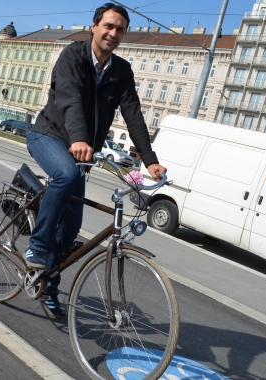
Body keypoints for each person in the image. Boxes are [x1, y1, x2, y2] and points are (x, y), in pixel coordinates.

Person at [24, 3, 167, 318]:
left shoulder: (121, 72)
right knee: (64, 174)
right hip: (49, 136)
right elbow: (70, 98)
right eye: (108, 26)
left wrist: (150, 160)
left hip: (82, 151)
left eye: (120, 29)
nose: (113, 33)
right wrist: (78, 138)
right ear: (94, 26)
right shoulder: (72, 57)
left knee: (72, 226)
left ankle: (47, 281)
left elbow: (134, 117)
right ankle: (37, 246)